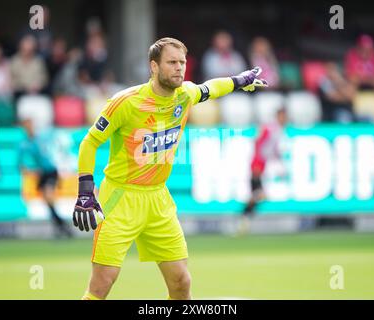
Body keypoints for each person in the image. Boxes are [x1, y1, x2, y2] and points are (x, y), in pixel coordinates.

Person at [72, 37, 266, 300]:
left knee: (181, 282)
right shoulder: (126, 102)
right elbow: (90, 142)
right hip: (120, 199)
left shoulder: (184, 95)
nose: (179, 68)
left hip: (158, 200)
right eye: (172, 62)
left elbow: (210, 88)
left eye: (182, 62)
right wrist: (85, 191)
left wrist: (240, 80)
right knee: (102, 285)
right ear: (154, 67)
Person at [18, 119, 72, 238]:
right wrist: (30, 170)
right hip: (42, 173)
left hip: (51, 170)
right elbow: (21, 163)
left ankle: (61, 225)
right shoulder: (25, 143)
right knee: (47, 201)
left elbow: (50, 154)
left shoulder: (40, 139)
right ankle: (61, 225)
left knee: (48, 196)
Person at [239, 107, 288, 235]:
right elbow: (258, 142)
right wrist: (257, 162)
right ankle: (244, 218)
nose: (284, 119)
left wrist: (280, 166)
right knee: (259, 194)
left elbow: (275, 150)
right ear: (278, 116)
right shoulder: (270, 129)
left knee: (258, 195)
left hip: (261, 164)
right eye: (283, 116)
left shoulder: (278, 131)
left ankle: (245, 219)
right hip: (257, 164)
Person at [344, 34, 374, 101]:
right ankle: (352, 107)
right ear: (358, 47)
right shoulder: (352, 55)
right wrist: (369, 79)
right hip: (359, 84)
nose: (366, 51)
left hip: (371, 82)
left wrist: (369, 79)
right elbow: (351, 77)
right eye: (363, 48)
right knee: (350, 87)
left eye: (369, 49)